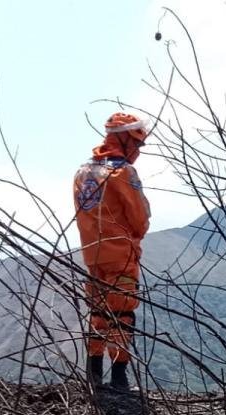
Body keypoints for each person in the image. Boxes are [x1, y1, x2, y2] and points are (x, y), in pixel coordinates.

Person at [72, 112, 150, 391]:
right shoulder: (123, 172)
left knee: (98, 313)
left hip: (92, 255)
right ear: (127, 139)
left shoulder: (83, 172)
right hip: (121, 255)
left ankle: (93, 374)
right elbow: (140, 218)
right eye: (138, 144)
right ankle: (119, 378)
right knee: (122, 315)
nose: (139, 151)